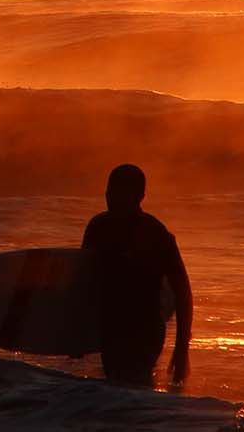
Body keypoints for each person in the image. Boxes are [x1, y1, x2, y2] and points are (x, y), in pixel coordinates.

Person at [81, 163, 193, 388]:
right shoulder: (98, 228)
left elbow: (182, 292)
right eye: (109, 192)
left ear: (139, 196)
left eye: (120, 193)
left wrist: (181, 350)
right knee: (117, 389)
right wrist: (77, 335)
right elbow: (84, 282)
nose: (111, 198)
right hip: (110, 327)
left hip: (145, 329)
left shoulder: (155, 234)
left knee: (132, 386)